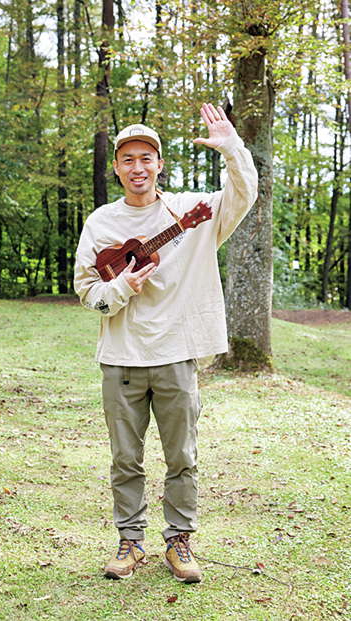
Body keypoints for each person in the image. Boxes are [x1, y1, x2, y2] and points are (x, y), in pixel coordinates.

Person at [74, 103, 258, 583]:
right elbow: (86, 292)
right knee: (124, 458)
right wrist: (120, 290)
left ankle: (179, 541)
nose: (138, 168)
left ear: (160, 164)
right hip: (120, 357)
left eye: (146, 158)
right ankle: (130, 542)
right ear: (116, 167)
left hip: (177, 353)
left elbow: (245, 193)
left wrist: (231, 147)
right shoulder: (100, 224)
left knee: (182, 457)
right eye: (128, 159)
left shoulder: (192, 214)